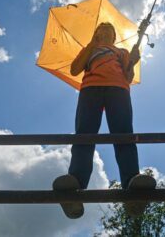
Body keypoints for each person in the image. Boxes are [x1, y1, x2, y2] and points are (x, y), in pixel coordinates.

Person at [53, 22, 156, 219]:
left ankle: (131, 180)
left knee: (124, 134)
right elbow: (75, 70)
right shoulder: (89, 49)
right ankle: (76, 181)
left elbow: (128, 76)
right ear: (96, 33)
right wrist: (91, 45)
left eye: (110, 29)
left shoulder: (122, 52)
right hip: (90, 89)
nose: (106, 31)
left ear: (114, 36)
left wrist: (132, 63)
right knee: (84, 135)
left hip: (118, 90)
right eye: (102, 29)